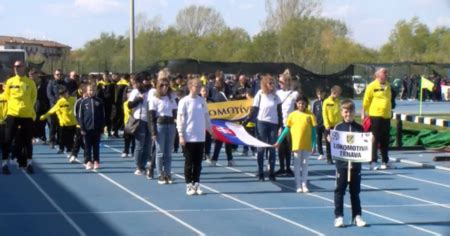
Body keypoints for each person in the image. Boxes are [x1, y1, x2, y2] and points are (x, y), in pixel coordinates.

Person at [332, 99, 367, 228]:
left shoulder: (360, 128)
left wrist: (370, 140)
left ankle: (357, 216)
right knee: (339, 191)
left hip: (356, 166)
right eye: (346, 112)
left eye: (350, 112)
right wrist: (330, 139)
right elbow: (334, 143)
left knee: (355, 192)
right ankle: (339, 216)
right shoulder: (338, 127)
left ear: (354, 112)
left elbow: (364, 143)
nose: (348, 114)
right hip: (342, 165)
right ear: (342, 113)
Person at [177, 77, 215, 196]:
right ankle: (189, 185)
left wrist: (210, 130)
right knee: (189, 162)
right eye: (196, 86)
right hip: (188, 136)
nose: (198, 88)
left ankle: (196, 183)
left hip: (200, 137)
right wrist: (181, 135)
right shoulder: (184, 101)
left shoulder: (202, 101)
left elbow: (206, 117)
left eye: (200, 86)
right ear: (190, 86)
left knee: (198, 163)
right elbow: (180, 119)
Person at [274, 94, 316, 193]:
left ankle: (304, 184)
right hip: (297, 144)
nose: (301, 105)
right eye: (299, 103)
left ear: (306, 104)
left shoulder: (310, 115)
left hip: (307, 144)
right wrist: (279, 141)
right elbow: (286, 130)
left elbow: (314, 131)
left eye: (303, 103)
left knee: (305, 164)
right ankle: (298, 184)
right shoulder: (292, 115)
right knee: (297, 165)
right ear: (296, 104)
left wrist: (313, 144)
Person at [243, 75, 282, 181]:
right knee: (261, 148)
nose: (272, 85)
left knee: (272, 148)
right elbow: (254, 110)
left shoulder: (276, 96)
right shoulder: (260, 94)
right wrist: (245, 121)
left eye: (273, 83)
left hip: (273, 124)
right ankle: (260, 172)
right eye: (270, 83)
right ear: (265, 84)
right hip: (261, 123)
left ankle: (272, 172)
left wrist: (280, 126)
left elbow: (280, 112)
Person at [4, 61, 37, 173]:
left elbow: (33, 98)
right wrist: (13, 108)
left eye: (19, 66)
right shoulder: (9, 82)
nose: (16, 68)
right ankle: (4, 165)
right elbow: (7, 96)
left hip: (26, 116)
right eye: (15, 66)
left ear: (24, 68)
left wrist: (26, 108)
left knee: (27, 141)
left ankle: (29, 164)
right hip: (12, 115)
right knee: (8, 140)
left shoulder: (30, 83)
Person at [362, 68, 393, 170]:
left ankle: (385, 161)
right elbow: (366, 101)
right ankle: (373, 161)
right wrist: (363, 113)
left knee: (385, 139)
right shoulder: (371, 86)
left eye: (386, 72)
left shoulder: (388, 85)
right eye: (384, 73)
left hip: (386, 116)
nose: (386, 74)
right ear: (378, 75)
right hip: (375, 116)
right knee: (374, 139)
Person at [148, 77, 177, 184]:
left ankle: (168, 174)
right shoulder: (154, 98)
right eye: (162, 85)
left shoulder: (171, 98)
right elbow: (151, 116)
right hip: (160, 125)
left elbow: (175, 112)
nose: (165, 87)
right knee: (160, 152)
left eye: (166, 85)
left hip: (171, 125)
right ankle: (160, 175)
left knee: (169, 153)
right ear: (158, 86)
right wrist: (153, 132)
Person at [40, 87, 77, 157]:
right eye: (61, 95)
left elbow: (79, 107)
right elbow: (53, 109)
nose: (63, 95)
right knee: (62, 137)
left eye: (64, 93)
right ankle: (61, 148)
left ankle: (70, 150)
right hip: (63, 123)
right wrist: (44, 116)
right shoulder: (60, 102)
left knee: (71, 138)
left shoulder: (73, 100)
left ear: (67, 92)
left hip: (73, 123)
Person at [275, 69, 298, 177]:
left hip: (290, 125)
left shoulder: (294, 94)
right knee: (280, 147)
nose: (279, 84)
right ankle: (281, 167)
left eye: (281, 82)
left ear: (287, 82)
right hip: (280, 124)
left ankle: (288, 167)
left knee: (289, 147)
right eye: (279, 82)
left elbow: (301, 106)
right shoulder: (277, 93)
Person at [128, 75, 151, 176]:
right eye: (144, 80)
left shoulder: (151, 91)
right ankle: (138, 166)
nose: (146, 82)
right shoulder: (135, 92)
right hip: (139, 119)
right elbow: (129, 105)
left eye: (148, 80)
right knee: (140, 145)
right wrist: (138, 99)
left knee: (148, 145)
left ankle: (143, 165)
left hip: (149, 120)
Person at [79, 83, 105, 170]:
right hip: (87, 128)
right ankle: (88, 161)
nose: (91, 92)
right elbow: (81, 116)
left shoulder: (99, 101)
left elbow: (102, 115)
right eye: (90, 90)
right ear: (86, 91)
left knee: (96, 146)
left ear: (95, 91)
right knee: (87, 146)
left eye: (93, 90)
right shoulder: (83, 102)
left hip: (97, 128)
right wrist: (82, 127)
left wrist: (102, 127)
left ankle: (96, 161)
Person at [46, 69, 66, 149]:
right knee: (53, 125)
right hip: (54, 107)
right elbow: (49, 95)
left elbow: (67, 93)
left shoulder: (64, 84)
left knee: (61, 125)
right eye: (57, 74)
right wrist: (57, 102)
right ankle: (52, 141)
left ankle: (60, 140)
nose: (59, 76)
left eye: (60, 74)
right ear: (54, 75)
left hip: (63, 108)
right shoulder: (51, 83)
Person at [322, 85, 342, 164]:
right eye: (338, 94)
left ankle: (337, 157)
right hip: (329, 126)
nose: (339, 95)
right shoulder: (326, 102)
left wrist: (341, 123)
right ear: (334, 93)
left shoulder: (338, 102)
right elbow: (324, 114)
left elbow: (340, 113)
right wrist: (326, 125)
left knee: (337, 142)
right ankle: (329, 158)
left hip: (337, 125)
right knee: (328, 142)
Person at [312, 87, 326, 160]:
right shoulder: (315, 103)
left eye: (321, 94)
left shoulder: (326, 102)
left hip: (325, 124)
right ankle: (321, 153)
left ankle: (329, 154)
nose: (319, 96)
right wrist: (314, 122)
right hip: (318, 124)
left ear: (324, 94)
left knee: (328, 139)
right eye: (318, 94)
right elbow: (313, 114)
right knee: (319, 139)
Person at [0, 83, 10, 174]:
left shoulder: (7, 96)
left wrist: (4, 85)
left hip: (6, 123)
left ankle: (4, 165)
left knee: (5, 144)